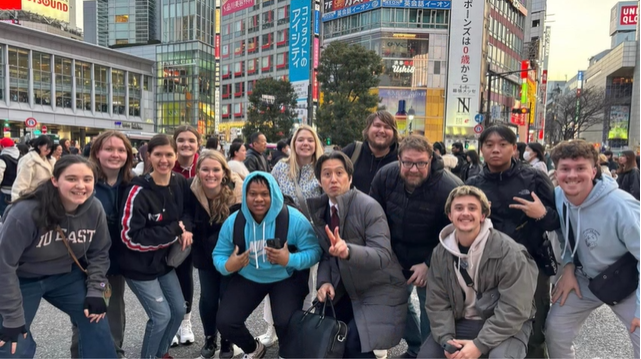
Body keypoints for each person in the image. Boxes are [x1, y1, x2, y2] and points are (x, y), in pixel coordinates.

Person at [0, 156, 116, 358]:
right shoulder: (26, 212)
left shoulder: (94, 208)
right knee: (12, 343)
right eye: (71, 179)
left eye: (87, 179)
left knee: (97, 319)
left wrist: (96, 290)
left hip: (65, 275)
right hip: (22, 278)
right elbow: (4, 265)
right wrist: (12, 318)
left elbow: (100, 252)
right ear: (55, 180)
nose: (81, 186)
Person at [466, 125, 559, 359]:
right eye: (489, 145)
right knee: (490, 318)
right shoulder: (473, 181)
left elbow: (557, 221)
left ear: (514, 149)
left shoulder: (535, 177)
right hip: (489, 266)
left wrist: (541, 213)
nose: (495, 150)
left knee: (535, 325)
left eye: (503, 145)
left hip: (532, 263)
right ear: (481, 149)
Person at [418, 186, 538, 359]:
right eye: (459, 208)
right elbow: (437, 302)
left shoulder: (510, 252)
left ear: (483, 215)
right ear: (450, 215)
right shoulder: (440, 253)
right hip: (463, 321)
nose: (465, 213)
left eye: (472, 208)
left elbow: (515, 309)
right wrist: (446, 339)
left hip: (506, 324)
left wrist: (479, 344)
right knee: (427, 356)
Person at [308, 151, 408, 358]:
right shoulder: (322, 209)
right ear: (319, 180)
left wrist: (348, 251)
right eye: (327, 174)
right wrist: (324, 282)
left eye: (339, 173)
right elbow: (327, 255)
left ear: (350, 178)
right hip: (345, 288)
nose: (333, 179)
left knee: (354, 343)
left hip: (377, 288)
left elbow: (382, 255)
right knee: (328, 337)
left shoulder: (368, 207)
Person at [546, 140, 640, 359]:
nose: (572, 175)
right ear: (556, 171)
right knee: (556, 328)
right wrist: (568, 266)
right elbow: (563, 233)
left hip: (629, 282)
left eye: (580, 168)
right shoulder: (559, 196)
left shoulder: (621, 205)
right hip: (583, 279)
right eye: (565, 168)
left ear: (594, 170)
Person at [370, 136, 462, 358]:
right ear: (399, 159)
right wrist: (384, 252)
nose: (413, 169)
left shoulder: (450, 187)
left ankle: (430, 353)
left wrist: (429, 264)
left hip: (434, 254)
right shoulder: (385, 176)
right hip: (394, 253)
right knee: (396, 305)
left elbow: (457, 233)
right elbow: (374, 217)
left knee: (431, 310)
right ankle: (414, 347)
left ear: (430, 159)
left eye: (420, 163)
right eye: (407, 162)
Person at [213, 172, 321, 359]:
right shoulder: (234, 221)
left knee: (286, 322)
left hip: (286, 277)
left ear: (275, 194)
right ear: (245, 195)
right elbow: (219, 254)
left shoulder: (294, 219)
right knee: (225, 321)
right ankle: (254, 349)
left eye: (265, 194)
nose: (258, 199)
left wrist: (289, 260)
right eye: (252, 194)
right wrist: (229, 265)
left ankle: (287, 353)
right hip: (250, 276)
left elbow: (314, 251)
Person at [120, 134, 192, 359]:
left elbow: (187, 213)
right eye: (158, 154)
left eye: (169, 154)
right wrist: (175, 230)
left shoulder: (179, 182)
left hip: (164, 262)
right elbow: (130, 237)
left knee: (179, 310)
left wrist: (186, 228)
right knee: (161, 316)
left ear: (176, 156)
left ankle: (162, 354)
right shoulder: (137, 191)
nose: (164, 160)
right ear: (148, 156)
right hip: (138, 265)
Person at [261, 125, 323, 347]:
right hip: (282, 233)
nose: (305, 143)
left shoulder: (322, 169)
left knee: (312, 283)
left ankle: (306, 326)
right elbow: (269, 197)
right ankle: (272, 328)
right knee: (275, 280)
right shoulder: (280, 167)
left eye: (310, 140)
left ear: (315, 144)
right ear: (293, 144)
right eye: (300, 140)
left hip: (313, 236)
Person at [76, 131, 135, 359]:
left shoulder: (131, 183)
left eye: (121, 150)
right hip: (84, 262)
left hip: (116, 262)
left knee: (114, 314)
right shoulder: (85, 180)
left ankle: (115, 353)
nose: (115, 154)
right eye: (109, 149)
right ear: (97, 152)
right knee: (85, 315)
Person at [185, 150, 242, 359]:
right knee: (208, 298)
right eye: (205, 169)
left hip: (229, 252)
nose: (211, 174)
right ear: (198, 171)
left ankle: (227, 340)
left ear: (224, 172)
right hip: (203, 253)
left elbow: (237, 226)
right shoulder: (191, 189)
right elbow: (188, 216)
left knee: (226, 296)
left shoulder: (236, 189)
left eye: (216, 169)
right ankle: (210, 337)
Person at [171, 125, 201, 345]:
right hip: (167, 228)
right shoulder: (165, 163)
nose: (186, 144)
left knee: (185, 275)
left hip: (195, 229)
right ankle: (169, 323)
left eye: (191, 140)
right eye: (181, 140)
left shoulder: (205, 165)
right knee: (164, 276)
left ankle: (185, 322)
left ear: (197, 144)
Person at [341, 111, 400, 193]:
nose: (382, 130)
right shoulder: (353, 151)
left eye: (387, 127)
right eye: (377, 125)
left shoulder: (402, 157)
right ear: (367, 129)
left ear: (394, 133)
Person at [11, 135, 55, 201]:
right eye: (46, 148)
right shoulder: (29, 160)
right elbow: (20, 184)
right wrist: (17, 202)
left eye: (50, 149)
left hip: (48, 199)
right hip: (32, 199)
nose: (48, 151)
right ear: (39, 146)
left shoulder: (51, 160)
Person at [0, 138, 20, 216]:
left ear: (2, 146)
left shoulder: (3, 158)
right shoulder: (20, 156)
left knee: (4, 215)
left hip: (5, 192)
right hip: (18, 191)